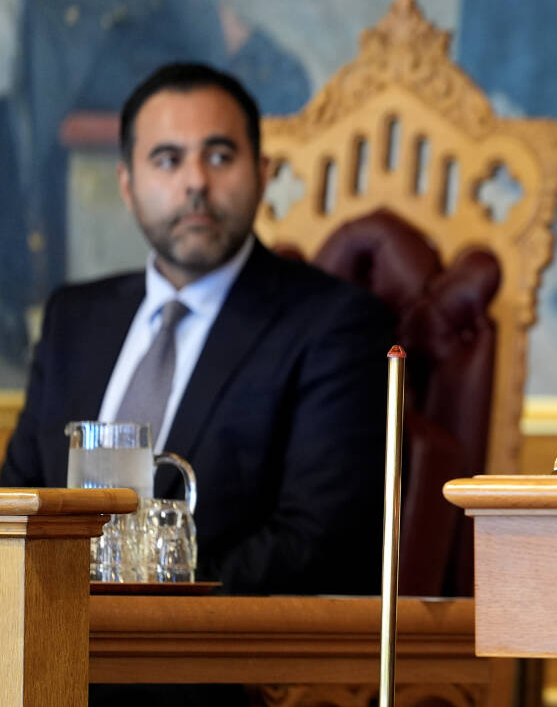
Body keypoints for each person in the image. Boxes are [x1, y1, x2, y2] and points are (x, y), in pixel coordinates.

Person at [0, 62, 395, 597]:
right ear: (127, 184)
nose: (195, 183)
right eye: (167, 159)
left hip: (212, 656)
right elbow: (19, 499)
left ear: (262, 171)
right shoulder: (75, 317)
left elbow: (317, 541)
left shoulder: (334, 325)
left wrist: (153, 611)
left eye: (219, 156)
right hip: (45, 646)